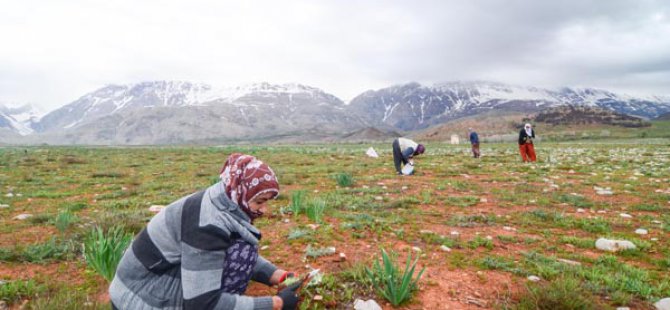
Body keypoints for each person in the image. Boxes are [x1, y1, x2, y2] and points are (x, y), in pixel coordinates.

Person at [110, 153, 299, 310]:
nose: (264, 210)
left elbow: (228, 251)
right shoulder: (208, 226)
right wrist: (276, 304)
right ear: (239, 192)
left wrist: (277, 275)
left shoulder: (225, 199)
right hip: (139, 297)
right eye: (259, 202)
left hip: (158, 281)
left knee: (241, 250)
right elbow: (202, 303)